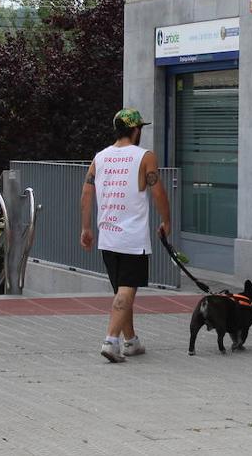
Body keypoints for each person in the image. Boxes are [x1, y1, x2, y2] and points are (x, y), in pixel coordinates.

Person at [79, 108, 171, 363]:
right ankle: (111, 341)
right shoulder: (145, 156)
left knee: (122, 290)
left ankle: (131, 341)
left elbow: (86, 194)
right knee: (127, 290)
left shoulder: (100, 157)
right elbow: (158, 192)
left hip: (107, 235)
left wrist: (86, 228)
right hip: (132, 238)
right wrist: (166, 220)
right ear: (136, 130)